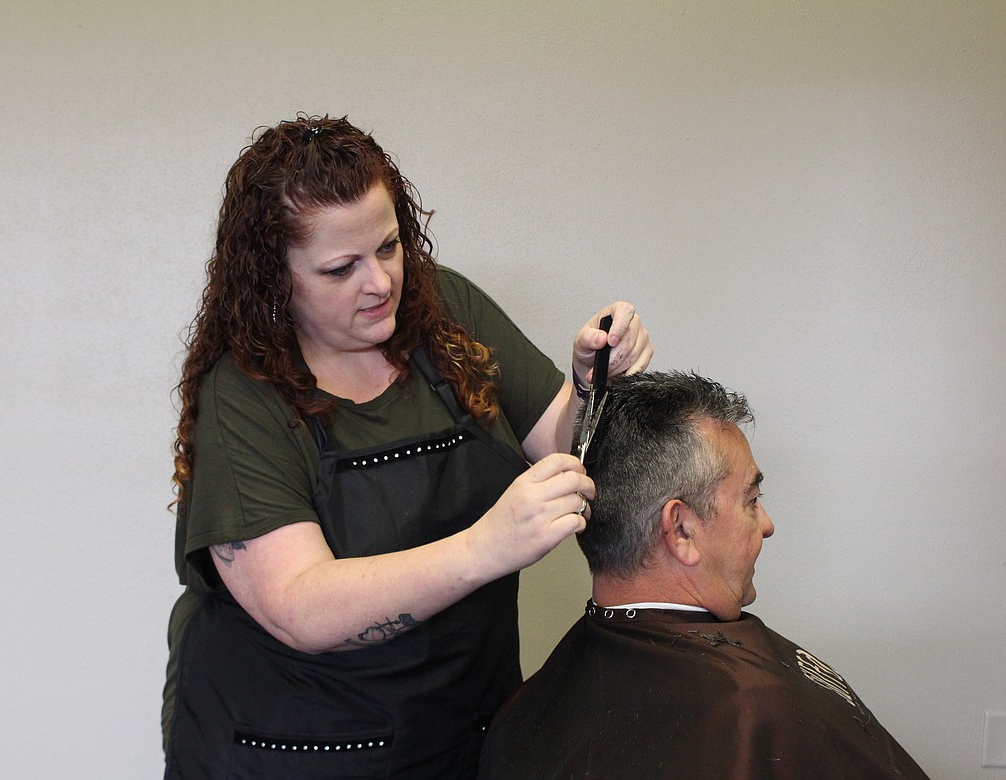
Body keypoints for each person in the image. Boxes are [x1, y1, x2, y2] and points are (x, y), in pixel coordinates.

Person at [162, 114, 653, 779]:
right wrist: (486, 547)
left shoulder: (442, 310)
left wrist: (595, 385)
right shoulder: (243, 397)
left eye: (390, 247)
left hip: (456, 728)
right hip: (289, 748)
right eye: (341, 268)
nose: (381, 282)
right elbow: (300, 606)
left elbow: (568, 446)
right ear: (275, 278)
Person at [479, 371, 930, 780]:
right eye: (751, 500)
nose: (767, 523)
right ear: (681, 530)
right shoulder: (754, 708)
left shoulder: (523, 710)